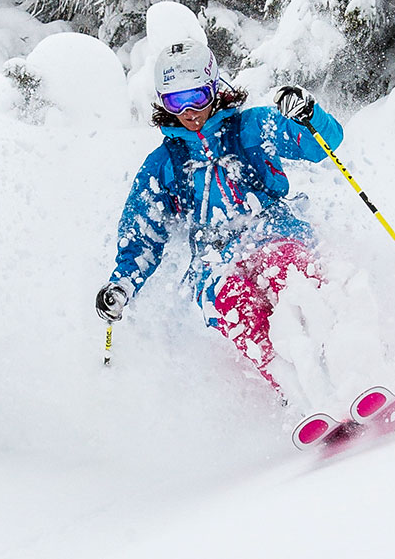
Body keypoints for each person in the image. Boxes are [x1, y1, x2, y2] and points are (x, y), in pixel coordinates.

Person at [96, 39, 343, 394]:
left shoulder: (252, 128)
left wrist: (309, 114)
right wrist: (122, 284)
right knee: (231, 302)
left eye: (195, 96)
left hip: (273, 229)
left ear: (213, 87)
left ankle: (348, 365)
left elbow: (324, 144)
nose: (189, 111)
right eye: (175, 101)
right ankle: (298, 392)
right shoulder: (163, 165)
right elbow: (141, 236)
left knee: (286, 272)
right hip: (215, 258)